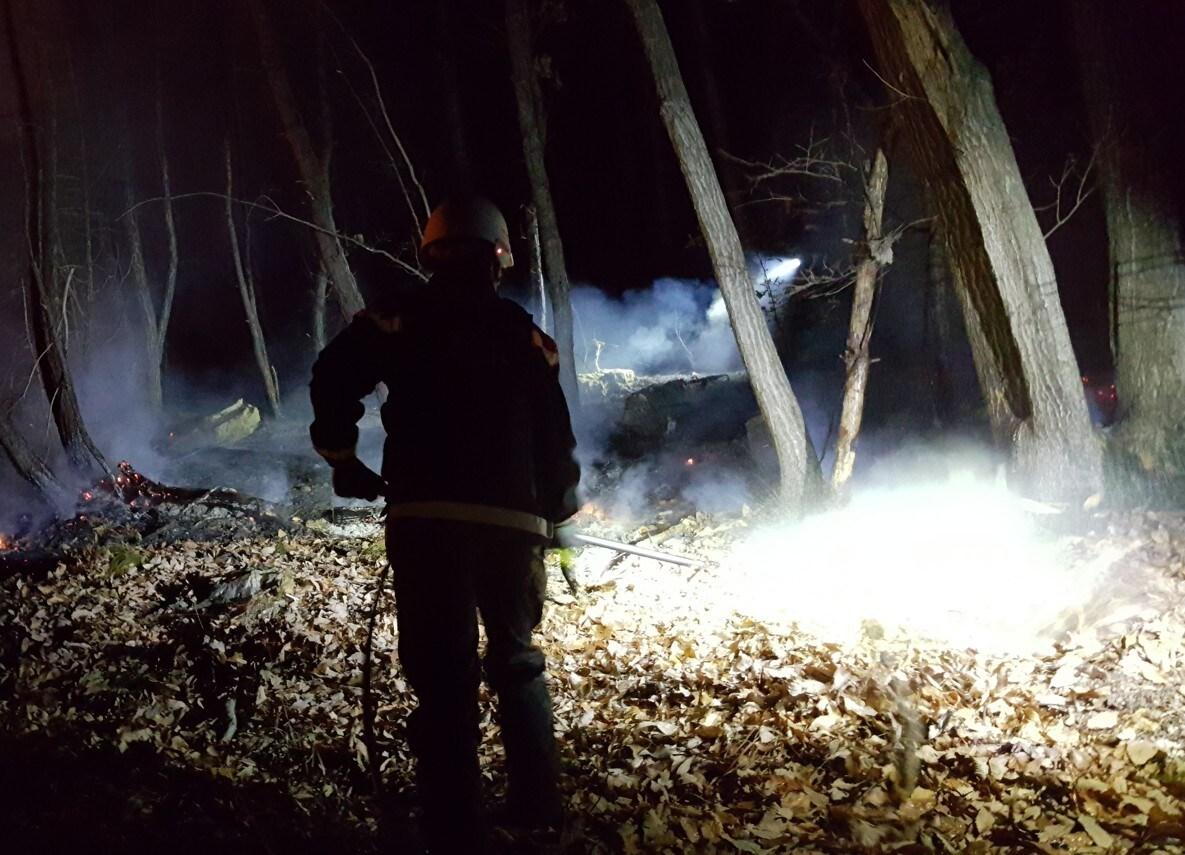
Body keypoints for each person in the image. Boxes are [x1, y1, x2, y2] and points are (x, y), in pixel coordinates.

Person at [309, 197, 580, 851]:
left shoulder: (397, 318)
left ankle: (455, 826)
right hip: (514, 524)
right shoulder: (523, 334)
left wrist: (344, 459)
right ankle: (538, 806)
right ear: (498, 258)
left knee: (443, 675)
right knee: (516, 661)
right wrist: (559, 517)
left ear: (431, 254)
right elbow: (556, 439)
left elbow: (331, 375)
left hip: (427, 520)